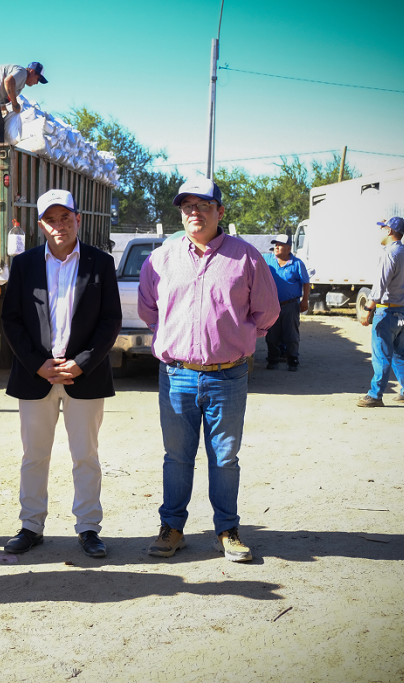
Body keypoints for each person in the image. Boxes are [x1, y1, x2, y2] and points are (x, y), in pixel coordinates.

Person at [138, 177, 279, 563]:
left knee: (225, 458)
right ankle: (172, 528)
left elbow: (267, 311)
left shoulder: (246, 258)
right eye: (187, 206)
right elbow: (149, 309)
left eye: (203, 205)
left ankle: (227, 530)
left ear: (220, 211)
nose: (194, 212)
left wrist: (238, 338)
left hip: (228, 376)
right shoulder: (162, 258)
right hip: (177, 374)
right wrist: (176, 338)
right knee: (176, 457)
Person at [1, 189, 121, 558]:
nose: (59, 226)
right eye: (51, 220)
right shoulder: (25, 265)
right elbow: (12, 320)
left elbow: (110, 321)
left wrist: (82, 362)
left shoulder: (100, 263)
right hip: (35, 376)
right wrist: (37, 363)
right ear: (41, 225)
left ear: (77, 219)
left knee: (85, 456)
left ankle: (88, 528)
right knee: (34, 456)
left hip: (85, 376)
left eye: (65, 217)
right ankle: (31, 526)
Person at [356, 217, 404, 407]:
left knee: (381, 356)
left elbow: (380, 285)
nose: (381, 231)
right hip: (402, 312)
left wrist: (368, 309)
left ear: (390, 231)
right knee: (400, 353)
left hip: (387, 312)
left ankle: (375, 395)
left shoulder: (389, 255)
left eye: (383, 228)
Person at [263, 234, 311, 371]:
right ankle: (273, 359)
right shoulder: (267, 260)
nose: (276, 247)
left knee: (291, 334)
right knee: (272, 334)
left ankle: (292, 359)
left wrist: (305, 300)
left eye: (280, 245)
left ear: (289, 248)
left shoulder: (297, 263)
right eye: (275, 244)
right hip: (272, 305)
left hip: (290, 305)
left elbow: (306, 282)